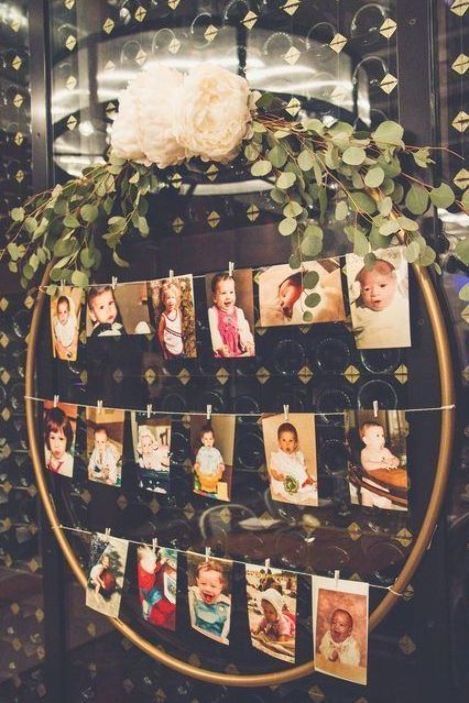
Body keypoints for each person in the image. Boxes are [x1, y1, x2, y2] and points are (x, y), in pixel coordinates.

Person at [350, 258, 410, 349]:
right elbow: (344, 321)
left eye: (382, 285)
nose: (374, 293)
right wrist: (352, 294)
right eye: (367, 289)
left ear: (395, 284)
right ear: (360, 291)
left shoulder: (401, 300)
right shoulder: (362, 312)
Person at [268, 422, 317, 504]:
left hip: (298, 477)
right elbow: (272, 469)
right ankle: (301, 489)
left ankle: (306, 483)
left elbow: (303, 469)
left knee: (309, 480)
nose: (287, 444)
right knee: (293, 490)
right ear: (279, 442)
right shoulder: (277, 457)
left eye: (290, 441)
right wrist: (276, 476)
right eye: (284, 440)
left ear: (295, 444)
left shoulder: (298, 456)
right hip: (285, 480)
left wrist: (307, 477)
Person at [208, 272, 255, 358]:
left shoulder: (238, 312)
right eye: (223, 293)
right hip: (222, 353)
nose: (228, 297)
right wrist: (219, 347)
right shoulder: (213, 313)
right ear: (215, 298)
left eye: (231, 292)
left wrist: (247, 343)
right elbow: (213, 332)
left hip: (238, 352)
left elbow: (244, 330)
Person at [358, 421, 400, 509]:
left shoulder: (385, 451)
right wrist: (381, 464)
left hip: (383, 487)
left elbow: (396, 459)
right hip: (368, 488)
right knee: (366, 508)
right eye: (377, 436)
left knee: (388, 506)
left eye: (382, 435)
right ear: (366, 440)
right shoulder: (365, 452)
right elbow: (366, 465)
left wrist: (394, 462)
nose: (381, 439)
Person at [188, 559, 231, 643]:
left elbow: (227, 627)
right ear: (197, 581)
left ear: (222, 586)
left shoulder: (226, 604)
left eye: (213, 586)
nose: (207, 589)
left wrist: (223, 639)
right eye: (203, 584)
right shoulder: (193, 596)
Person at [137, 546, 177, 630]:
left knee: (166, 605)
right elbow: (144, 595)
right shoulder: (142, 577)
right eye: (152, 563)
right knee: (160, 617)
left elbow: (155, 569)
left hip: (151, 591)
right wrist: (147, 602)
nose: (155, 565)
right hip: (147, 598)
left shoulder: (148, 568)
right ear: (142, 563)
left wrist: (161, 562)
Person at [250, 587, 296, 652]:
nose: (267, 614)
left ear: (277, 612)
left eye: (271, 612)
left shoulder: (282, 623)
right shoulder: (266, 618)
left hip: (290, 622)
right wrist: (256, 631)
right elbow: (260, 626)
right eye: (265, 611)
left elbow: (281, 641)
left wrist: (277, 642)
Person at [136, 426, 170, 493]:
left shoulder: (157, 453)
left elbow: (165, 460)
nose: (147, 448)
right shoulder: (142, 458)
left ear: (153, 444)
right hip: (151, 478)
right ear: (141, 448)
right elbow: (144, 468)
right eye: (144, 446)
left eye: (149, 444)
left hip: (161, 476)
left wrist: (163, 460)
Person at [193, 424, 224, 496]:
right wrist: (197, 463)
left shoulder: (216, 452)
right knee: (200, 480)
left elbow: (220, 460)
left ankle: (213, 490)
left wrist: (221, 465)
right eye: (206, 439)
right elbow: (198, 459)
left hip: (213, 475)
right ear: (202, 440)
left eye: (211, 439)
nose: (208, 442)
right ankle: (202, 489)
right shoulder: (201, 450)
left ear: (214, 440)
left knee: (214, 481)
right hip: (203, 475)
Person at [44, 406, 74, 476]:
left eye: (61, 439)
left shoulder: (69, 463)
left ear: (67, 440)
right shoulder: (47, 454)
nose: (56, 445)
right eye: (52, 438)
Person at [157, 280, 185, 359]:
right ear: (164, 300)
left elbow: (180, 327)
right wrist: (163, 348)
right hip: (169, 349)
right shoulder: (163, 317)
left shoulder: (178, 312)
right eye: (168, 298)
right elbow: (160, 333)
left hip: (179, 346)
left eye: (173, 297)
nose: (171, 300)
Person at [52, 295, 78, 359]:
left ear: (68, 312)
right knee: (58, 345)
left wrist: (73, 345)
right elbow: (58, 341)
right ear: (57, 314)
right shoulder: (57, 326)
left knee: (76, 338)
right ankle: (66, 353)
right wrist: (64, 350)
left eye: (65, 312)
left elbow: (75, 332)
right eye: (60, 312)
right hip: (64, 347)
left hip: (72, 344)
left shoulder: (71, 320)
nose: (63, 315)